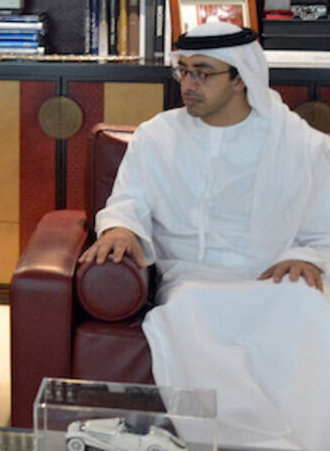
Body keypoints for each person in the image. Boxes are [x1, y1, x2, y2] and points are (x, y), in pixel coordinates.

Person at [79, 22, 330, 449]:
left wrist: (308, 256)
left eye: (203, 73)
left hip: (269, 276)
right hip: (193, 277)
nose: (189, 84)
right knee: (190, 308)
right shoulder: (157, 136)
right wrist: (121, 227)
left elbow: (321, 222)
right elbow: (129, 199)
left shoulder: (299, 144)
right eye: (183, 71)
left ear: (240, 79)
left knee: (306, 303)